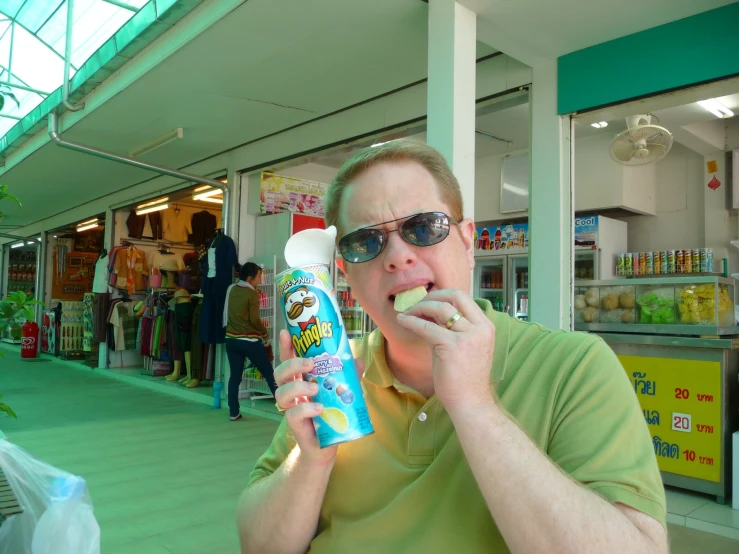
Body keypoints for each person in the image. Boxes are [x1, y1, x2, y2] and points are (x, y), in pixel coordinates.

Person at [237, 141, 667, 553]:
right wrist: (310, 462)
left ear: (467, 241)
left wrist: (476, 406)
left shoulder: (575, 366)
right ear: (346, 275)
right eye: (366, 241)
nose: (398, 256)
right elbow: (259, 545)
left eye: (423, 227)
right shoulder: (334, 373)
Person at [224, 262, 277, 422]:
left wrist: (254, 291)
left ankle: (234, 412)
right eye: (259, 276)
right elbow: (254, 319)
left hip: (231, 340)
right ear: (250, 278)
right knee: (269, 373)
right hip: (249, 340)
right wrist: (264, 332)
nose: (260, 279)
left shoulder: (231, 288)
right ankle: (285, 406)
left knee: (235, 376)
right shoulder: (252, 295)